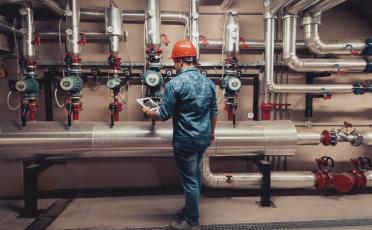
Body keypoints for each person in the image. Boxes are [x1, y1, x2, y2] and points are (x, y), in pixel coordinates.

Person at [141, 40, 218, 230]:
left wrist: (148, 112)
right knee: (196, 178)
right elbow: (214, 111)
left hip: (185, 141)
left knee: (190, 181)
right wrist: (212, 132)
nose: (174, 66)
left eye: (175, 62)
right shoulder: (208, 83)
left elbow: (163, 114)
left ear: (181, 61)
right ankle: (191, 209)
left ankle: (192, 222)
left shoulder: (175, 84)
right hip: (203, 139)